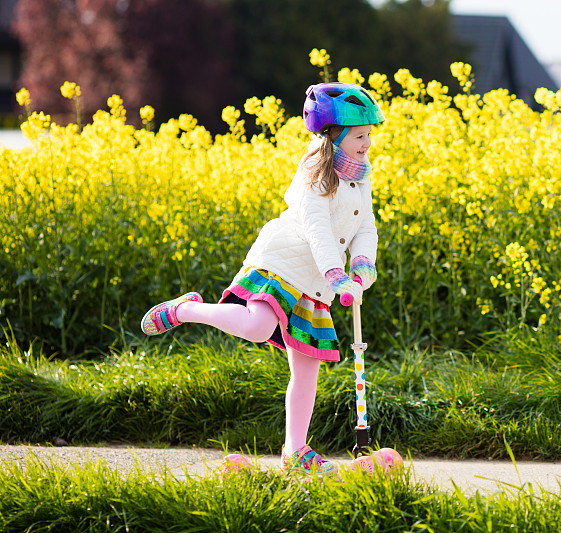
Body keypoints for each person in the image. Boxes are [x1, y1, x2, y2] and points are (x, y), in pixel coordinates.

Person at [140, 82, 383, 478]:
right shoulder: (314, 172)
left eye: (369, 134)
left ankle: (295, 450)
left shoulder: (360, 175)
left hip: (317, 280)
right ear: (334, 136)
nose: (367, 143)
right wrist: (336, 273)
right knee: (257, 326)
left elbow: (365, 227)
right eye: (359, 136)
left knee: (307, 371)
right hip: (283, 262)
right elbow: (318, 228)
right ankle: (186, 309)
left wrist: (362, 266)